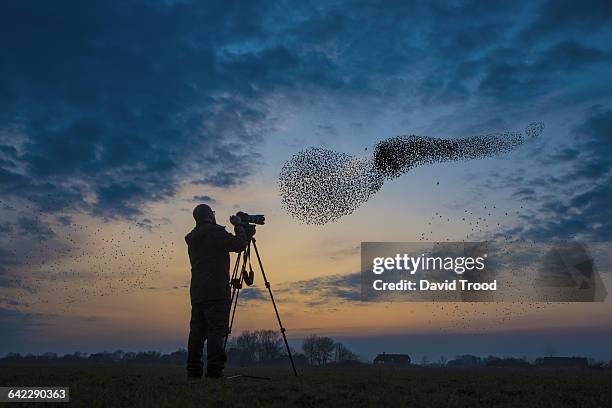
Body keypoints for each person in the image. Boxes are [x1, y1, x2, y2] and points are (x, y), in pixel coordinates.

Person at [185, 204, 247, 379]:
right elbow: (239, 244)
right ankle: (214, 372)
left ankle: (193, 372)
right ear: (209, 216)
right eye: (212, 214)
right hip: (216, 291)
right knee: (216, 331)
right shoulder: (214, 233)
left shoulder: (193, 238)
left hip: (197, 292)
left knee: (197, 332)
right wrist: (239, 226)